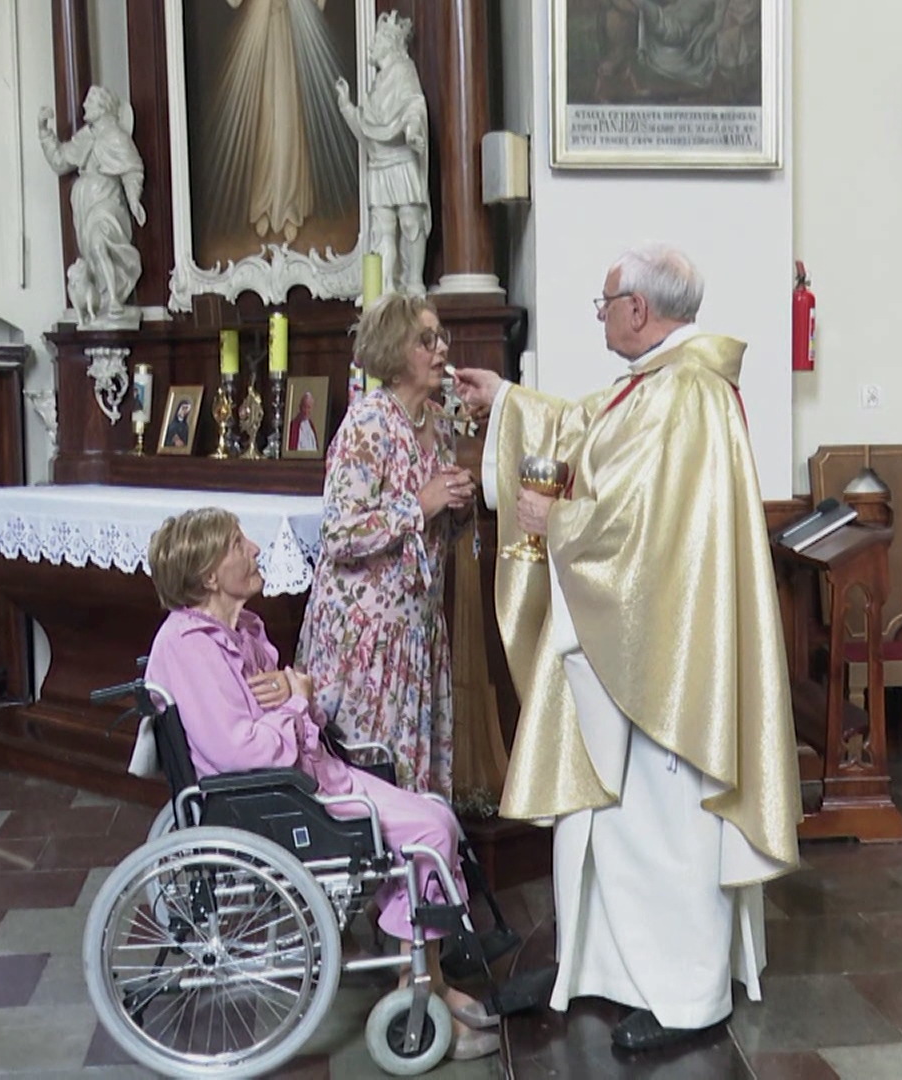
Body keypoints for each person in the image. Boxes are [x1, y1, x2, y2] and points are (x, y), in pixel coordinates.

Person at [451, 244, 800, 1053]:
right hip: (622, 646)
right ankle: (600, 969)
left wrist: (556, 522)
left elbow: (642, 528)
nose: (602, 316)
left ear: (639, 308)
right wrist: (506, 399)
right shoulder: (651, 386)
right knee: (602, 818)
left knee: (664, 827)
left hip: (666, 658)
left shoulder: (689, 394)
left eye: (605, 303)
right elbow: (581, 429)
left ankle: (687, 998)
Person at [142, 508, 496, 1062]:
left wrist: (295, 694)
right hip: (277, 797)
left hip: (308, 777)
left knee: (435, 814)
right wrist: (296, 701)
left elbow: (285, 715)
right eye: (238, 544)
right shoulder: (191, 647)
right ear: (209, 575)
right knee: (430, 831)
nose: (255, 548)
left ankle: (429, 980)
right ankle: (419, 990)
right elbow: (242, 751)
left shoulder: (238, 631)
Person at [297, 294, 474, 797]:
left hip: (416, 632)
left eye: (441, 337)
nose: (441, 348)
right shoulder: (368, 422)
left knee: (409, 782)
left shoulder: (438, 424)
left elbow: (430, 531)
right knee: (367, 780)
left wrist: (458, 508)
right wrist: (421, 504)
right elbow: (339, 533)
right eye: (426, 340)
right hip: (365, 640)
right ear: (396, 353)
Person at [203, 0, 358, 246]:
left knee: (288, 125)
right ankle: (263, 206)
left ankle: (290, 208)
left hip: (287, 37)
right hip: (258, 41)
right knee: (264, 128)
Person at [334, 11, 429, 295]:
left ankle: (414, 284)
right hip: (378, 163)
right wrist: (346, 106)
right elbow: (366, 132)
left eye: (376, 40)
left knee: (410, 221)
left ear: (389, 43)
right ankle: (386, 288)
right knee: (382, 229)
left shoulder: (404, 71)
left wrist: (412, 129)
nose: (371, 46)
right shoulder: (376, 85)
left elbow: (414, 106)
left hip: (401, 160)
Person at [37, 86, 146, 327]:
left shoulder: (117, 138)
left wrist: (134, 200)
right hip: (84, 205)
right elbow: (60, 160)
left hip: (107, 202)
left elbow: (132, 170)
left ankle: (115, 300)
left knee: (99, 243)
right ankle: (101, 302)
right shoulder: (86, 136)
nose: (84, 106)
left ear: (102, 107)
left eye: (89, 102)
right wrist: (44, 131)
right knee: (92, 254)